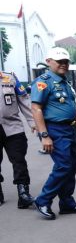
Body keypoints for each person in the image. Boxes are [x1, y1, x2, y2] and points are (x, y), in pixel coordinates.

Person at [31, 47, 76, 220]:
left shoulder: (65, 83)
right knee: (63, 166)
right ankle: (43, 200)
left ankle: (66, 203)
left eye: (66, 62)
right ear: (49, 61)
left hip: (70, 129)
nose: (64, 65)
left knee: (70, 167)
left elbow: (73, 109)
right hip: (54, 130)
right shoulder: (43, 81)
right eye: (60, 61)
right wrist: (44, 136)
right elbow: (36, 109)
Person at [0, 70, 36, 208]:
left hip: (13, 127)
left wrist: (33, 122)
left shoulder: (10, 78)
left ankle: (23, 194)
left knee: (19, 160)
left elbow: (24, 100)